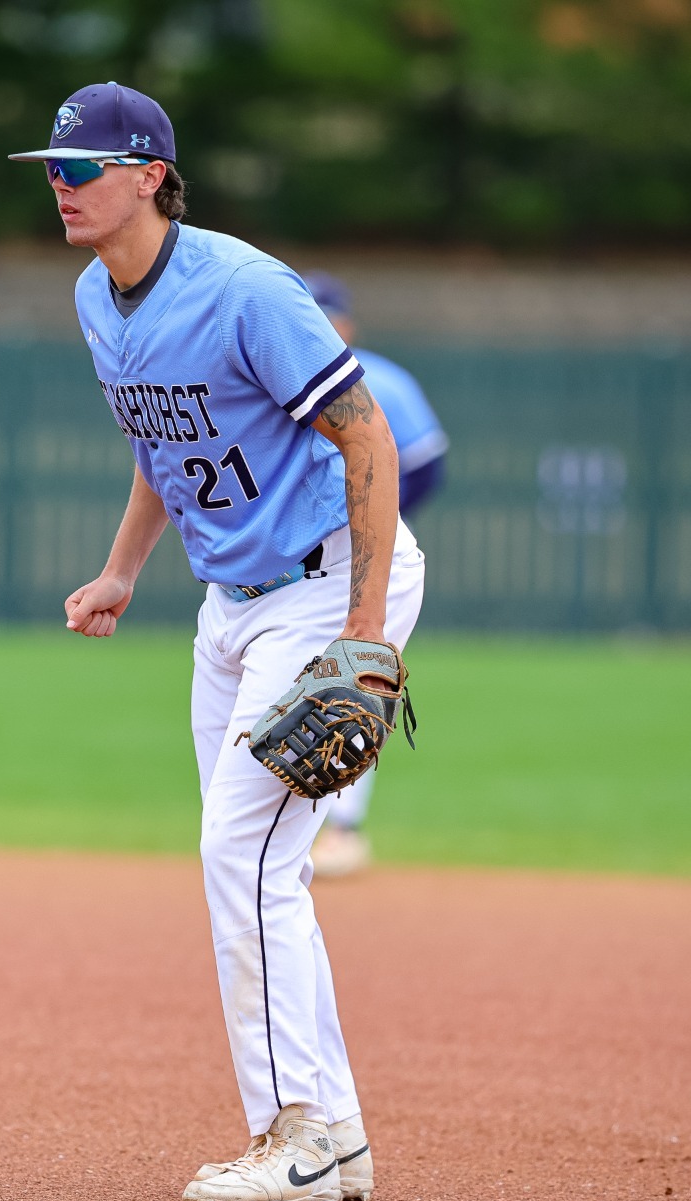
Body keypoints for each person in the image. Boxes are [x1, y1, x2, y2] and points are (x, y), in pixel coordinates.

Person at [11, 82, 426, 1201]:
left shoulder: (245, 288)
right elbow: (162, 437)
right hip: (229, 606)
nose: (61, 185)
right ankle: (331, 1131)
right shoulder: (98, 299)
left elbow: (364, 432)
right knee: (256, 870)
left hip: (325, 585)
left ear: (149, 173)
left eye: (81, 167)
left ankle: (291, 1134)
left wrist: (362, 631)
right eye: (50, 168)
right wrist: (121, 570)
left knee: (237, 857)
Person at [299, 271, 450, 878]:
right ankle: (299, 828)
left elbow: (426, 464)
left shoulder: (380, 378)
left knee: (354, 686)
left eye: (330, 314)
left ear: (348, 323)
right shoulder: (271, 378)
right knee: (306, 689)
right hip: (296, 565)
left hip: (362, 560)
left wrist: (376, 528)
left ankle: (343, 828)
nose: (322, 324)